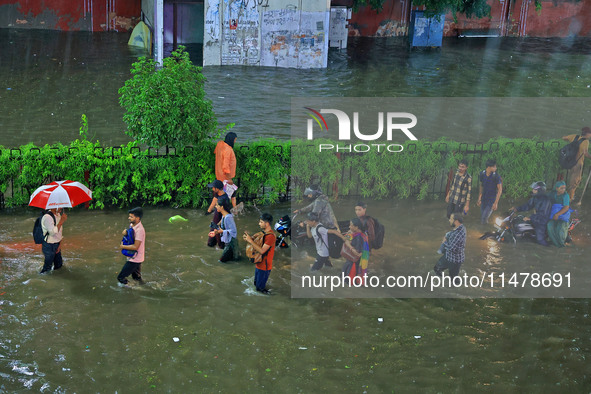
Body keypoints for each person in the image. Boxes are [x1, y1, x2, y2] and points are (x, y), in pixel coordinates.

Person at [510, 181, 552, 246]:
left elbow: (542, 213)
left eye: (535, 189)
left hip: (542, 221)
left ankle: (548, 248)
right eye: (533, 189)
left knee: (539, 239)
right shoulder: (535, 198)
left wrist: (530, 217)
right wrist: (517, 209)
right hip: (536, 218)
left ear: (540, 190)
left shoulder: (545, 200)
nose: (533, 190)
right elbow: (527, 206)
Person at [243, 213, 276, 294]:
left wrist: (250, 241)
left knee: (259, 289)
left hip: (265, 266)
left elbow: (262, 251)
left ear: (267, 223)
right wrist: (249, 239)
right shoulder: (263, 233)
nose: (259, 224)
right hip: (259, 263)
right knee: (256, 285)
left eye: (261, 222)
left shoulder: (270, 237)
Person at [118, 207, 146, 285]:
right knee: (136, 278)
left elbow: (135, 247)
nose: (129, 218)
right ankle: (144, 288)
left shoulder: (140, 230)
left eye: (131, 217)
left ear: (138, 218)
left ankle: (136, 289)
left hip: (135, 258)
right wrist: (126, 232)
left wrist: (122, 246)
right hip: (136, 257)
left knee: (120, 278)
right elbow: (131, 236)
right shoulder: (132, 224)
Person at [562, 127, 591, 201]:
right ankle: (569, 199)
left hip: (570, 162)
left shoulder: (574, 136)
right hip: (578, 164)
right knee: (574, 183)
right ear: (588, 134)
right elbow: (585, 153)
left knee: (570, 180)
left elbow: (564, 138)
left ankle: (567, 195)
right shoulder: (586, 141)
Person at [434, 214, 466, 279]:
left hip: (454, 260)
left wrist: (444, 241)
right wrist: (448, 235)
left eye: (451, 219)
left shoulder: (457, 234)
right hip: (448, 256)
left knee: (453, 280)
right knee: (437, 268)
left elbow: (451, 248)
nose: (449, 220)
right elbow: (452, 233)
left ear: (456, 221)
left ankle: (456, 286)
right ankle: (442, 280)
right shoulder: (462, 227)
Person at [40, 208, 68, 274]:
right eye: (60, 206)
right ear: (54, 206)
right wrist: (61, 221)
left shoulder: (58, 215)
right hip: (49, 245)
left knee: (59, 266)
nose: (62, 207)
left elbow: (60, 231)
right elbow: (52, 232)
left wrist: (59, 244)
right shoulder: (47, 217)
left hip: (57, 243)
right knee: (47, 269)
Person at [214, 131, 238, 208]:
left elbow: (215, 152)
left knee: (221, 195)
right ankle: (230, 210)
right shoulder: (228, 150)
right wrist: (229, 179)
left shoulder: (219, 144)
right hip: (225, 177)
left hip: (219, 174)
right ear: (232, 140)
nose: (235, 141)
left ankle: (234, 209)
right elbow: (225, 166)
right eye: (235, 140)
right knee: (229, 194)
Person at [477, 159, 503, 224]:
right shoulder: (482, 174)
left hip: (491, 200)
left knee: (484, 217)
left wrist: (496, 203)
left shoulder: (496, 176)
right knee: (483, 217)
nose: (496, 168)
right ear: (489, 167)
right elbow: (481, 186)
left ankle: (484, 230)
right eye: (494, 167)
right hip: (484, 198)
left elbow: (500, 190)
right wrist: (479, 198)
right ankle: (485, 229)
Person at [206, 179, 229, 248]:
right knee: (210, 242)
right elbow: (214, 201)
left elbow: (227, 214)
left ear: (217, 189)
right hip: (216, 218)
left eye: (213, 187)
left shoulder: (224, 199)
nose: (212, 189)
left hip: (220, 219)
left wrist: (219, 224)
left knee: (220, 242)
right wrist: (208, 211)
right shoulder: (218, 193)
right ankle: (212, 244)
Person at [547, 181, 571, 247]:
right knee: (549, 226)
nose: (563, 190)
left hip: (563, 215)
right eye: (561, 188)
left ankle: (561, 245)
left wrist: (557, 214)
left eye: (564, 188)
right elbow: (545, 199)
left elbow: (566, 207)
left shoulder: (565, 195)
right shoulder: (552, 194)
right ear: (556, 188)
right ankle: (556, 244)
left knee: (560, 229)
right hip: (553, 215)